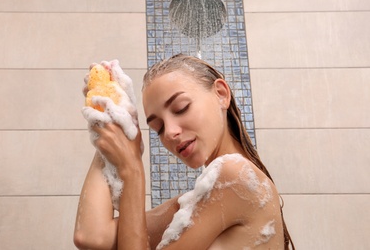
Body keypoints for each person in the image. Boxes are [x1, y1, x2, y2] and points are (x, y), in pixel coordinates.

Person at [73, 54, 295, 250]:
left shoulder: (234, 175)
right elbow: (92, 236)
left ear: (221, 94)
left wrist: (132, 170)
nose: (169, 132)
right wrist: (110, 125)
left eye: (181, 108)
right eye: (158, 128)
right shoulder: (209, 196)